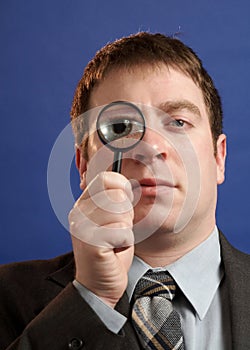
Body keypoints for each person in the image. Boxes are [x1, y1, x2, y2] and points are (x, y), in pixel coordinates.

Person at [0, 32, 249, 350]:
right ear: (83, 165)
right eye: (120, 127)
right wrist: (91, 299)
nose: (150, 147)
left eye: (177, 122)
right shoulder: (6, 297)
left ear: (219, 158)